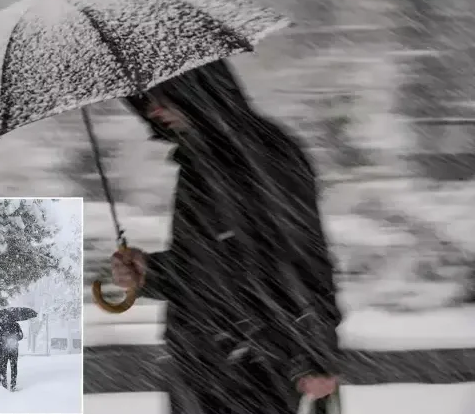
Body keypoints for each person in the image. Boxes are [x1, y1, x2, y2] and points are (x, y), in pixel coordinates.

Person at [111, 59, 341, 414]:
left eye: (164, 97)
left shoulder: (267, 155)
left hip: (256, 366)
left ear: (196, 91)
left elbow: (304, 257)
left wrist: (317, 357)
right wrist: (149, 272)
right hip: (198, 363)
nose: (155, 110)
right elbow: (207, 266)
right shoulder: (197, 161)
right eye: (148, 100)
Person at [0, 321, 23, 391]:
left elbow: (21, 336)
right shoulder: (1, 325)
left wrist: (14, 337)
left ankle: (12, 385)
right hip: (5, 349)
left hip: (13, 349)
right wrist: (3, 337)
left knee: (13, 367)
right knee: (4, 367)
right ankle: (4, 384)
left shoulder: (16, 325)